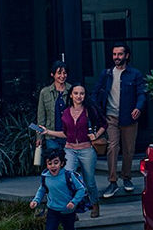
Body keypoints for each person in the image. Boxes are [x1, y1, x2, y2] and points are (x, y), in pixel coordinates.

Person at [91, 43, 146, 198]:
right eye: (114, 54)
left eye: (120, 54)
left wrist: (138, 107)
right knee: (112, 147)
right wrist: (97, 112)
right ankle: (113, 181)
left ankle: (127, 178)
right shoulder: (106, 74)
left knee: (129, 150)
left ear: (126, 56)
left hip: (129, 117)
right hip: (110, 117)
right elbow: (95, 93)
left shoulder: (135, 74)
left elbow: (142, 93)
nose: (116, 57)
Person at [40, 85, 103, 218]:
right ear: (71, 95)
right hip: (70, 149)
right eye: (76, 93)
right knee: (67, 179)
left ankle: (95, 204)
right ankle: (71, 209)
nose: (79, 96)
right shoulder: (66, 112)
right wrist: (48, 132)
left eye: (82, 93)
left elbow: (104, 124)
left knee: (89, 181)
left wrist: (96, 135)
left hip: (86, 149)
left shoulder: (89, 110)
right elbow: (65, 133)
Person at [30, 148, 86, 230]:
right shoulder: (45, 177)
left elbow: (81, 189)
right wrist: (36, 201)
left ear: (61, 163)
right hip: (53, 210)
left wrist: (73, 202)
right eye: (49, 163)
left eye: (55, 162)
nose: (52, 166)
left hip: (67, 211)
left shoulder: (68, 175)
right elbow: (42, 190)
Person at [37, 61, 72, 153]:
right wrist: (39, 137)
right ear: (52, 74)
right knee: (54, 162)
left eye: (64, 73)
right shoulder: (45, 92)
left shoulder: (72, 90)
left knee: (69, 164)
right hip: (51, 136)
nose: (62, 76)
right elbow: (41, 117)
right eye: (59, 73)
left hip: (69, 136)